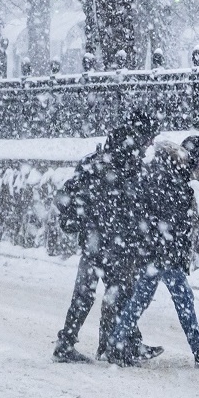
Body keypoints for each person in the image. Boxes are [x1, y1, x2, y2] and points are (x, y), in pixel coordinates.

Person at [106, 136, 199, 368]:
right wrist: (170, 246)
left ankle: (116, 343)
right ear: (191, 158)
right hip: (162, 252)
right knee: (182, 299)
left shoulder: (168, 172)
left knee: (141, 300)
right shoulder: (170, 177)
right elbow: (166, 219)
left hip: (156, 251)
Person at [52, 110, 163, 364]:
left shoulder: (99, 160)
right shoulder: (125, 164)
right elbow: (132, 205)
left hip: (97, 239)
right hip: (112, 241)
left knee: (88, 293)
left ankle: (71, 343)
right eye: (148, 139)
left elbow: (70, 194)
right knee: (118, 292)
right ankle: (113, 346)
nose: (150, 145)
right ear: (138, 138)